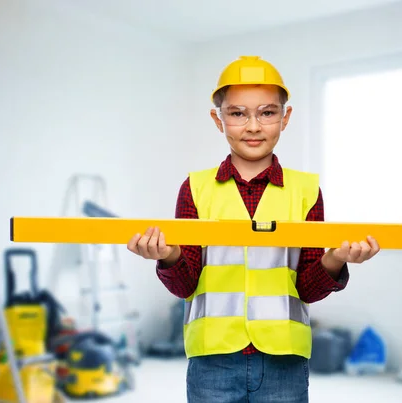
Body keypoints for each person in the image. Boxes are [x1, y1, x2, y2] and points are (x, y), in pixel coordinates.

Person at [127, 55, 381, 402]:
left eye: (267, 112)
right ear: (219, 120)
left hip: (284, 362)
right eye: (237, 113)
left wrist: (335, 259)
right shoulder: (195, 189)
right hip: (211, 360)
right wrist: (168, 256)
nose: (253, 126)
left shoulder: (305, 191)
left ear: (284, 117)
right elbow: (185, 284)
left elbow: (307, 288)